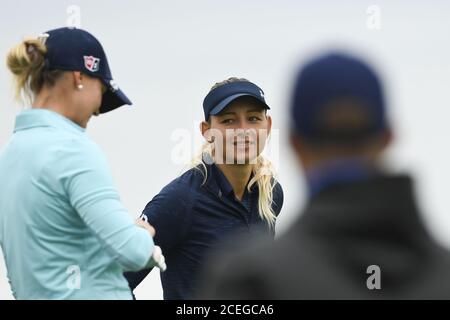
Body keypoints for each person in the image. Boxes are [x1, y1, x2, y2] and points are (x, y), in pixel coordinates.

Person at [199, 53, 450, 299]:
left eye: (252, 118)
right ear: (389, 137)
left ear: (294, 144)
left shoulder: (250, 279)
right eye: (229, 120)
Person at [0, 27, 164, 300]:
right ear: (79, 77)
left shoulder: (9, 155)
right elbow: (132, 252)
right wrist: (142, 235)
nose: (98, 109)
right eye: (101, 90)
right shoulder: (73, 149)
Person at [125, 77, 284, 299]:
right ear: (207, 131)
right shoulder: (180, 200)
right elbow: (113, 281)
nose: (243, 130)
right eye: (229, 121)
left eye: (253, 118)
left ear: (267, 127)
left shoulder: (271, 193)